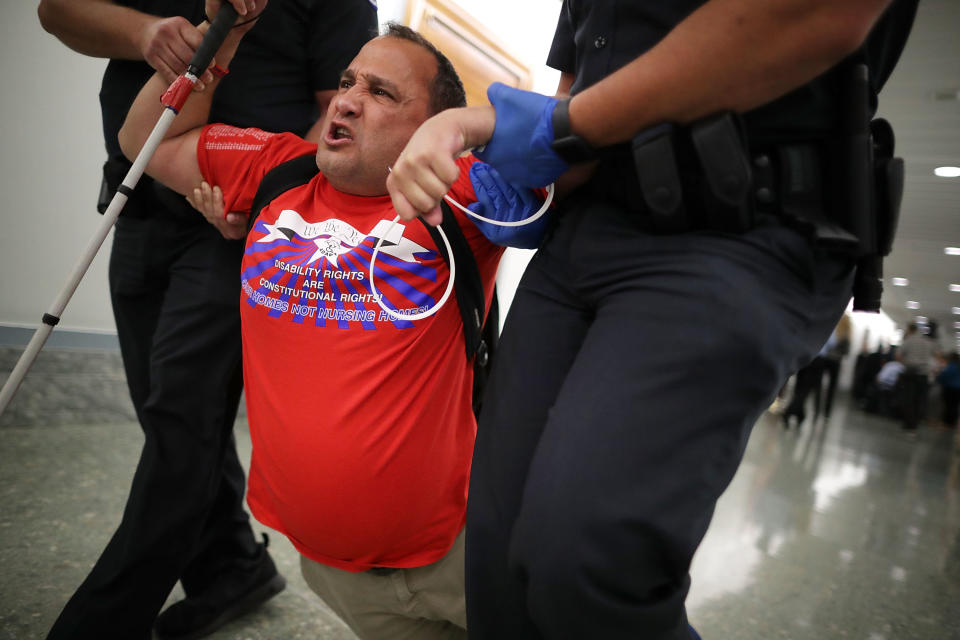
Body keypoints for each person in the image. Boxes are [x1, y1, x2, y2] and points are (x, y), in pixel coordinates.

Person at [386, 0, 917, 637]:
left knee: (589, 563)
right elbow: (578, 87)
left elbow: (807, 16)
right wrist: (510, 164)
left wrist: (551, 128)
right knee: (497, 566)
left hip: (733, 224)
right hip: (582, 237)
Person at [117, 8, 546, 638]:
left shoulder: (462, 190)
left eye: (379, 92)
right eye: (347, 82)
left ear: (432, 129)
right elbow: (146, 142)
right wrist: (225, 37)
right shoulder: (273, 169)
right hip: (331, 569)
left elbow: (568, 137)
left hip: (460, 555)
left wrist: (468, 128)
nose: (345, 101)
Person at [37, 1, 376, 638]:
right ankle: (234, 565)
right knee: (171, 413)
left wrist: (277, 206)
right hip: (140, 189)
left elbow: (339, 116)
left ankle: (99, 623)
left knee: (179, 416)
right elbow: (56, 11)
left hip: (239, 220)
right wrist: (144, 33)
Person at [898, 322, 937, 434]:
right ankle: (915, 424)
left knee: (908, 399)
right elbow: (935, 355)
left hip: (910, 373)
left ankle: (908, 424)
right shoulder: (928, 342)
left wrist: (905, 364)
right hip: (923, 375)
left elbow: (898, 355)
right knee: (919, 400)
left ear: (909, 330)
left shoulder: (909, 340)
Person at [936, 352, 960, 429]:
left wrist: (938, 378)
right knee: (954, 406)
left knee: (949, 406)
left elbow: (944, 375)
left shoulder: (951, 366)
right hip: (958, 389)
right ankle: (953, 423)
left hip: (950, 388)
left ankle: (947, 423)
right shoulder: (958, 366)